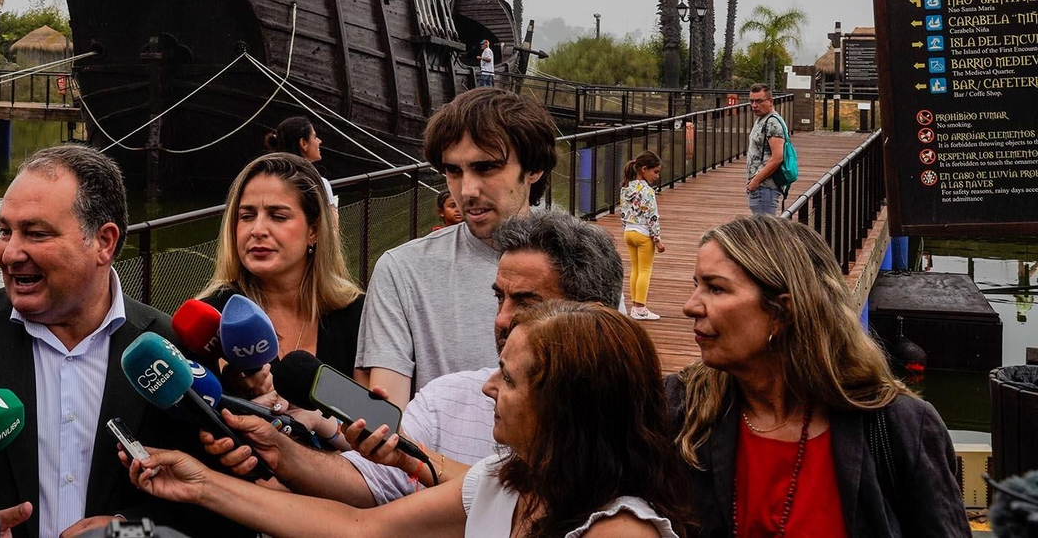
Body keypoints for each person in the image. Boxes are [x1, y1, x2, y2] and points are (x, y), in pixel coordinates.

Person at [0, 144, 244, 538]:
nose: (10, 254)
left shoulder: (168, 351)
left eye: (36, 233)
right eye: (5, 231)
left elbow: (222, 504)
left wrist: (131, 530)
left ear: (104, 242)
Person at [124, 302, 689, 538]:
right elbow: (358, 529)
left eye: (510, 379)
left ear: (571, 406)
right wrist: (201, 485)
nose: (488, 386)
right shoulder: (501, 480)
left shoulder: (618, 530)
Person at [207, 208, 625, 508]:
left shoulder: (631, 437)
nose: (502, 319)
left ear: (588, 312)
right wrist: (278, 449)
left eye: (526, 302)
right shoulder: (447, 398)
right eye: (500, 298)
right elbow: (363, 497)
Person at [671, 214, 969, 537]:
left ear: (781, 313)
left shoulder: (900, 429)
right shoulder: (679, 408)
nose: (690, 306)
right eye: (696, 285)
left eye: (715, 288)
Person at [356, 87, 557, 407]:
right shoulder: (401, 271)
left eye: (486, 167)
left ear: (533, 168)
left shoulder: (580, 261)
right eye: (453, 171)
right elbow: (388, 415)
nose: (466, 190)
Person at [200, 153, 363, 374]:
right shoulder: (210, 321)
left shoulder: (356, 314)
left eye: (278, 216)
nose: (257, 230)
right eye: (247, 216)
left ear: (313, 231)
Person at [620, 150, 667, 321]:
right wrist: (657, 239)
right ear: (644, 169)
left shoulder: (626, 187)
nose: (657, 176)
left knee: (635, 270)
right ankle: (639, 308)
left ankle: (634, 306)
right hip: (643, 234)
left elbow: (623, 211)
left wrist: (626, 226)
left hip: (629, 232)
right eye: (655, 172)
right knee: (645, 270)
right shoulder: (647, 191)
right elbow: (652, 216)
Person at [264, 116, 334, 206]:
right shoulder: (318, 185)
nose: (319, 141)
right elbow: (332, 219)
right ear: (303, 143)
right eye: (315, 137)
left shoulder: (268, 179)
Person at [744, 84, 787, 214]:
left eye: (759, 101)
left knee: (764, 230)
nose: (754, 105)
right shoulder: (762, 119)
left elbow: (778, 157)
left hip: (765, 187)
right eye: (751, 101)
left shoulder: (772, 123)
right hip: (760, 187)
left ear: (770, 102)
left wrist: (755, 181)